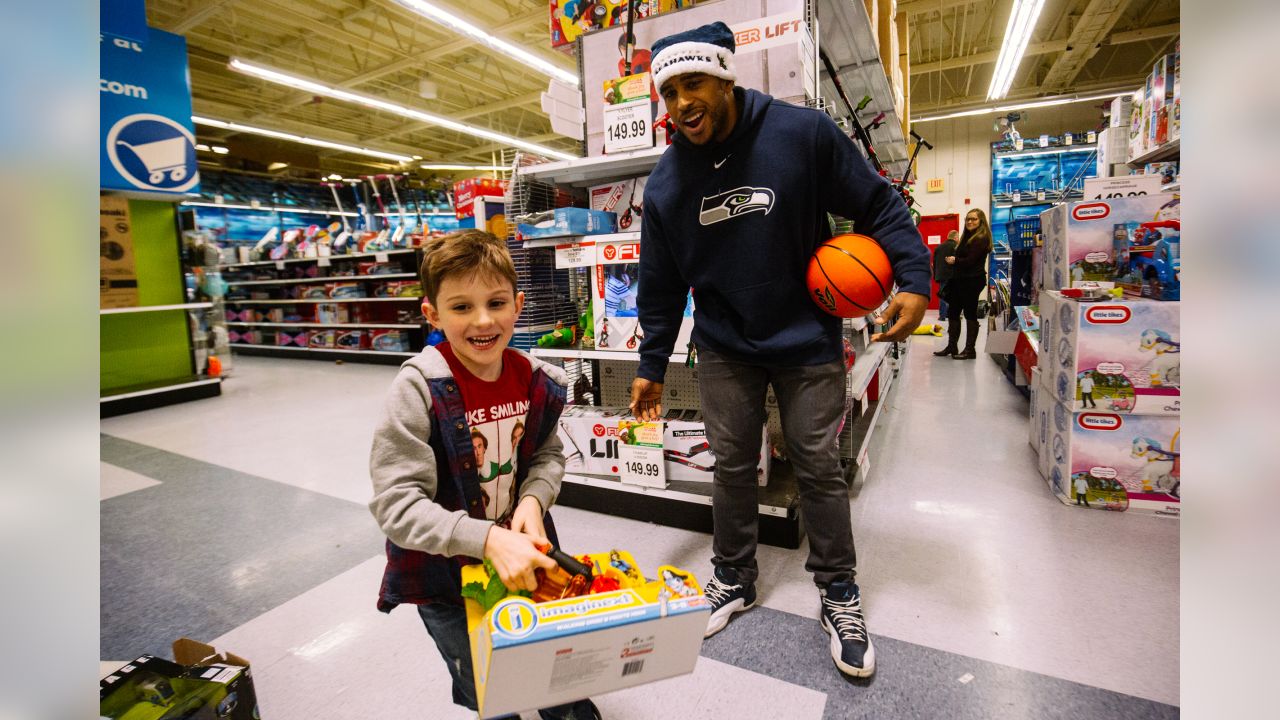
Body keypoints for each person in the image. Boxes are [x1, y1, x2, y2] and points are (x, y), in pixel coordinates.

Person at [628, 21, 930, 680]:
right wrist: (651, 365)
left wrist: (914, 278)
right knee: (731, 465)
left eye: (694, 83)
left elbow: (878, 205)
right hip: (724, 345)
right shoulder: (666, 185)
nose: (682, 103)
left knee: (819, 465)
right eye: (670, 91)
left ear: (725, 78)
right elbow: (658, 285)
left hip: (804, 336)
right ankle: (733, 577)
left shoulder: (803, 135)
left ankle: (838, 592)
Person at [368, 230, 599, 720]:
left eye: (496, 302)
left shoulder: (534, 380)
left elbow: (546, 456)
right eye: (461, 307)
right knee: (487, 682)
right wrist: (489, 540)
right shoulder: (418, 390)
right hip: (446, 577)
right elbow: (397, 504)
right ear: (431, 314)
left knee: (554, 660)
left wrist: (534, 503)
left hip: (528, 559)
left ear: (518, 305)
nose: (483, 321)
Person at [935, 208, 992, 359]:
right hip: (960, 280)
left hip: (972, 280)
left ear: (981, 221)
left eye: (973, 219)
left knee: (969, 314)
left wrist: (955, 260)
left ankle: (970, 350)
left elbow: (971, 261)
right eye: (968, 219)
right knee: (953, 312)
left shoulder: (981, 238)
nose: (970, 222)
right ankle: (952, 346)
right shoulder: (967, 237)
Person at [933, 230, 959, 320]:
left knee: (943, 294)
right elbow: (959, 261)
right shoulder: (955, 246)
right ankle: (951, 314)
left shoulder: (939, 247)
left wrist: (935, 275)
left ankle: (943, 315)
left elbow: (935, 262)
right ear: (955, 237)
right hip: (952, 275)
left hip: (941, 275)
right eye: (958, 237)